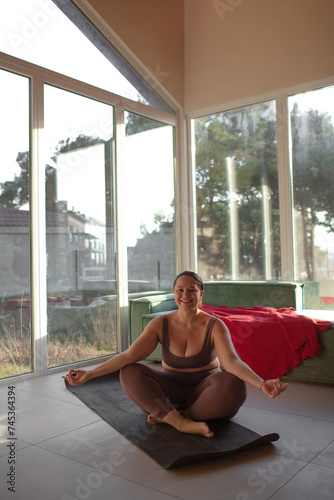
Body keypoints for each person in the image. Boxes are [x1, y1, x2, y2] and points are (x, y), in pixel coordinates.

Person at [63, 271, 287, 438]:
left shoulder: (215, 325)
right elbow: (129, 355)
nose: (185, 295)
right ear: (174, 293)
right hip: (169, 391)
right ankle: (179, 421)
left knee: (235, 384)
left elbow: (232, 363)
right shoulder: (160, 324)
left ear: (201, 294)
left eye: (192, 290)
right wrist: (90, 374)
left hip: (206, 395)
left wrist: (261, 384)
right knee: (129, 370)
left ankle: (175, 416)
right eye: (180, 289)